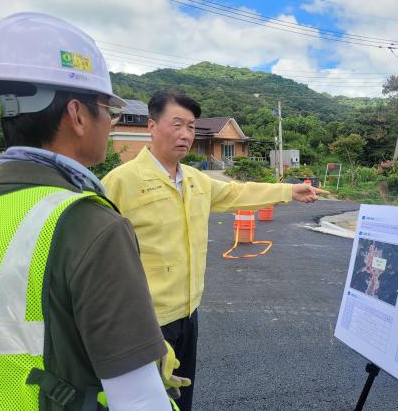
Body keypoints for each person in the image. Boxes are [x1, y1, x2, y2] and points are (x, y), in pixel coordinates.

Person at [0, 13, 187, 411]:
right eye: (108, 109)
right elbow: (139, 400)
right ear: (77, 115)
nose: (111, 122)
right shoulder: (87, 223)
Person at [102, 90, 327, 410]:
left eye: (191, 127)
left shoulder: (196, 180)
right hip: (146, 322)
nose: (185, 134)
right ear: (151, 126)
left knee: (183, 398)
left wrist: (290, 190)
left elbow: (239, 193)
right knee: (146, 404)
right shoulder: (120, 181)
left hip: (189, 314)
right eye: (176, 124)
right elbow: (100, 258)